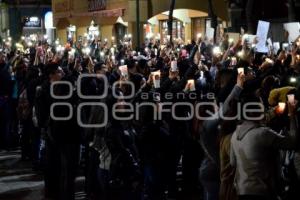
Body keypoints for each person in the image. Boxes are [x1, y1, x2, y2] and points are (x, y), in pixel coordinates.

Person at [230, 94, 299, 200]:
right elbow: (292, 142)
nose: (264, 110)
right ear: (254, 111)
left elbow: (233, 163)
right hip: (262, 191)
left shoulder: (235, 135)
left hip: (241, 191)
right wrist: (292, 114)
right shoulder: (263, 133)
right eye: (261, 107)